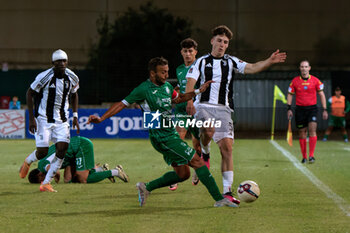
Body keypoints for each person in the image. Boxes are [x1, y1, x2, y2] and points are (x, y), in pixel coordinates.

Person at [88, 57, 237, 208]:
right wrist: (101, 119)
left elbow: (179, 99)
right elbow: (121, 104)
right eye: (163, 72)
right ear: (153, 74)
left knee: (183, 174)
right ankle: (220, 198)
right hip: (161, 137)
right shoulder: (143, 89)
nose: (166, 75)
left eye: (167, 72)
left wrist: (198, 91)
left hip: (169, 133)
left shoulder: (166, 87)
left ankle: (146, 187)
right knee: (197, 161)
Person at [185, 25, 287, 202]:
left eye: (225, 42)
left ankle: (227, 192)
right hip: (203, 106)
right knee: (208, 130)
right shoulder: (200, 62)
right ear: (212, 41)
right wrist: (188, 100)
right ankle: (206, 151)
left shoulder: (231, 61)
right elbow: (190, 83)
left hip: (224, 110)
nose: (222, 44)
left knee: (227, 148)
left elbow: (253, 67)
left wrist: (269, 61)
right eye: (219, 41)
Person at [19, 49, 80, 192]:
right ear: (53, 63)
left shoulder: (72, 77)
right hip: (43, 120)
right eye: (59, 61)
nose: (62, 64)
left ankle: (46, 183)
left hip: (62, 120)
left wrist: (75, 116)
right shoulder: (44, 76)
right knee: (42, 152)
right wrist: (31, 118)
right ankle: (28, 161)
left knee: (62, 149)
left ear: (67, 62)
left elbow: (75, 95)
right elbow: (29, 93)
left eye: (64, 61)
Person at [169, 38, 210, 191]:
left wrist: (191, 101)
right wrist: (172, 93)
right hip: (181, 110)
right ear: (181, 52)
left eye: (190, 51)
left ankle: (197, 170)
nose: (188, 54)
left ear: (195, 52)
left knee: (197, 146)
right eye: (185, 51)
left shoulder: (200, 66)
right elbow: (181, 85)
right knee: (177, 142)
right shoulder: (179, 69)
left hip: (196, 110)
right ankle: (176, 177)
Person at [27, 136, 129, 184]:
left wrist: (56, 177)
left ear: (39, 175)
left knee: (83, 179)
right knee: (69, 180)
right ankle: (100, 170)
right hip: (72, 155)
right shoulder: (45, 160)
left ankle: (115, 171)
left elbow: (55, 171)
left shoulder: (42, 165)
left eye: (41, 180)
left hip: (80, 146)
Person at [287, 60, 328, 163]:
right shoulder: (295, 81)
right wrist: (289, 108)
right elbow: (290, 94)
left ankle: (311, 155)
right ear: (300, 68)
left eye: (306, 66)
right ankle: (304, 157)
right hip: (300, 110)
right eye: (302, 67)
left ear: (309, 68)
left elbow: (322, 95)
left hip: (312, 109)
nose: (304, 68)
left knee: (312, 130)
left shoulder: (315, 80)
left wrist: (324, 109)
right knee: (302, 133)